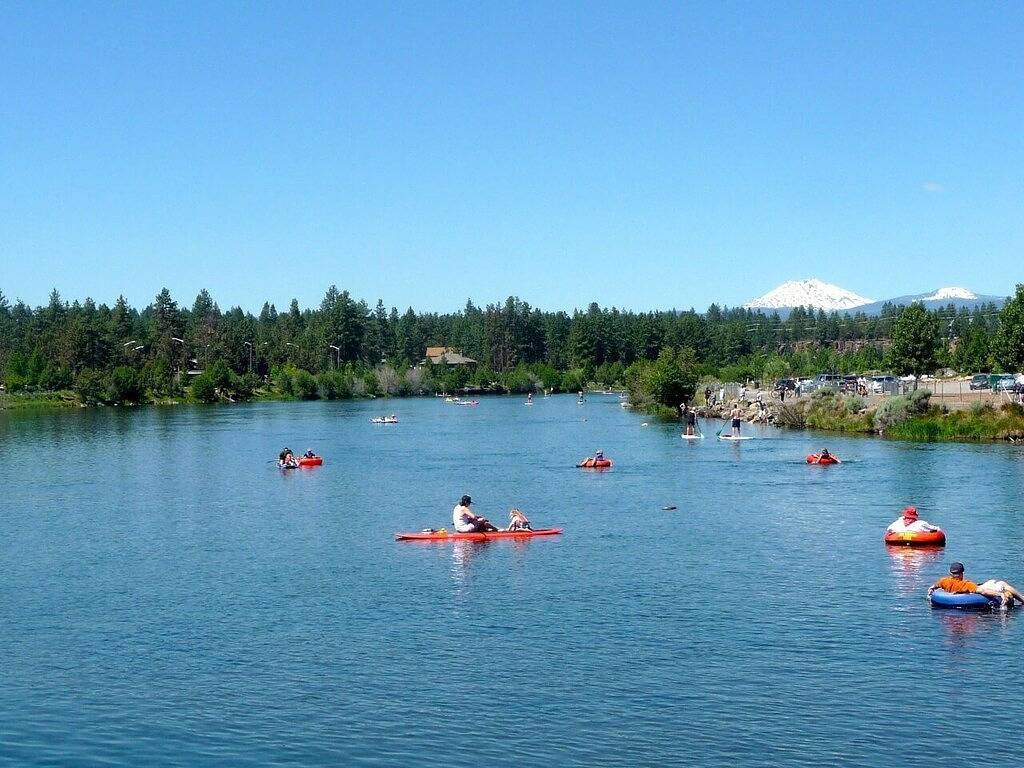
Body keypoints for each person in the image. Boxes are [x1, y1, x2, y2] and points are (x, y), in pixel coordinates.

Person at [928, 562, 1024, 607]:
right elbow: (982, 591)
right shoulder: (965, 584)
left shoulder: (943, 581)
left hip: (955, 595)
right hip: (977, 590)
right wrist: (1000, 594)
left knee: (991, 581)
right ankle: (1022, 599)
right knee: (1002, 584)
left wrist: (931, 588)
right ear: (962, 573)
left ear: (950, 572)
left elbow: (935, 586)